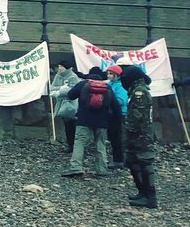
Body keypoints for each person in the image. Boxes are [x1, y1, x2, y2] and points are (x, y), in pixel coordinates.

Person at [62, 67, 114, 178]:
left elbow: (70, 95)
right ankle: (102, 169)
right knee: (100, 144)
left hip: (84, 119)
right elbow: (114, 104)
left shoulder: (83, 84)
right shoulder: (107, 87)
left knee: (79, 142)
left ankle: (76, 167)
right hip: (102, 121)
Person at [119, 65, 158, 208]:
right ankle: (142, 193)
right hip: (136, 134)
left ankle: (150, 197)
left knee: (144, 162)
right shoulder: (136, 90)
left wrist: (129, 130)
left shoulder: (139, 92)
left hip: (140, 135)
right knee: (133, 162)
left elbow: (138, 116)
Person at [50, 60, 81, 152]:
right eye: (59, 66)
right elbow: (52, 87)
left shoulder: (73, 77)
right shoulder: (58, 76)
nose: (59, 68)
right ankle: (70, 145)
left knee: (72, 125)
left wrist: (59, 92)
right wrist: (62, 88)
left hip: (70, 104)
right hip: (60, 103)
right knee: (67, 126)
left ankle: (74, 146)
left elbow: (72, 90)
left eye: (61, 66)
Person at [105, 65, 129, 167]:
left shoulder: (121, 86)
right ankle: (118, 159)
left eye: (111, 74)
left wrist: (108, 101)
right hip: (110, 113)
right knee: (113, 137)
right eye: (108, 74)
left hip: (119, 114)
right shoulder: (109, 84)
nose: (109, 76)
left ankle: (119, 160)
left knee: (118, 138)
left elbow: (121, 101)